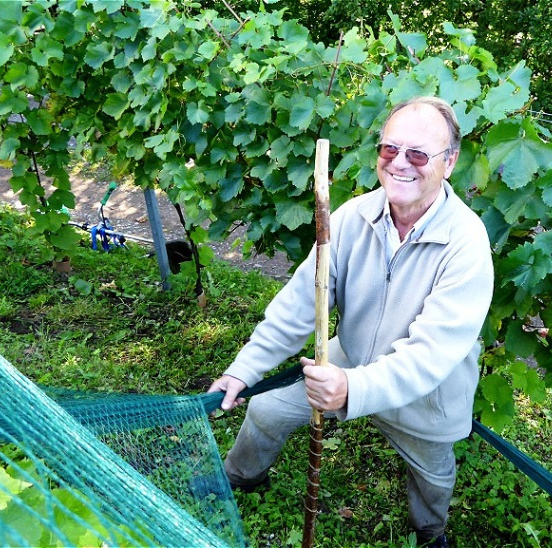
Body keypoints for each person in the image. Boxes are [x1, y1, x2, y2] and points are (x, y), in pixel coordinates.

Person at [208, 96, 494, 547]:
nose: (401, 163)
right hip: (349, 357)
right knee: (265, 408)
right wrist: (244, 368)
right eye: (389, 149)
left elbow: (431, 354)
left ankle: (430, 530)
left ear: (450, 162)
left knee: (433, 477)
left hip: (426, 395)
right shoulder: (350, 217)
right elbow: (300, 302)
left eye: (418, 154)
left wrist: (351, 390)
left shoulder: (467, 243)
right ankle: (240, 476)